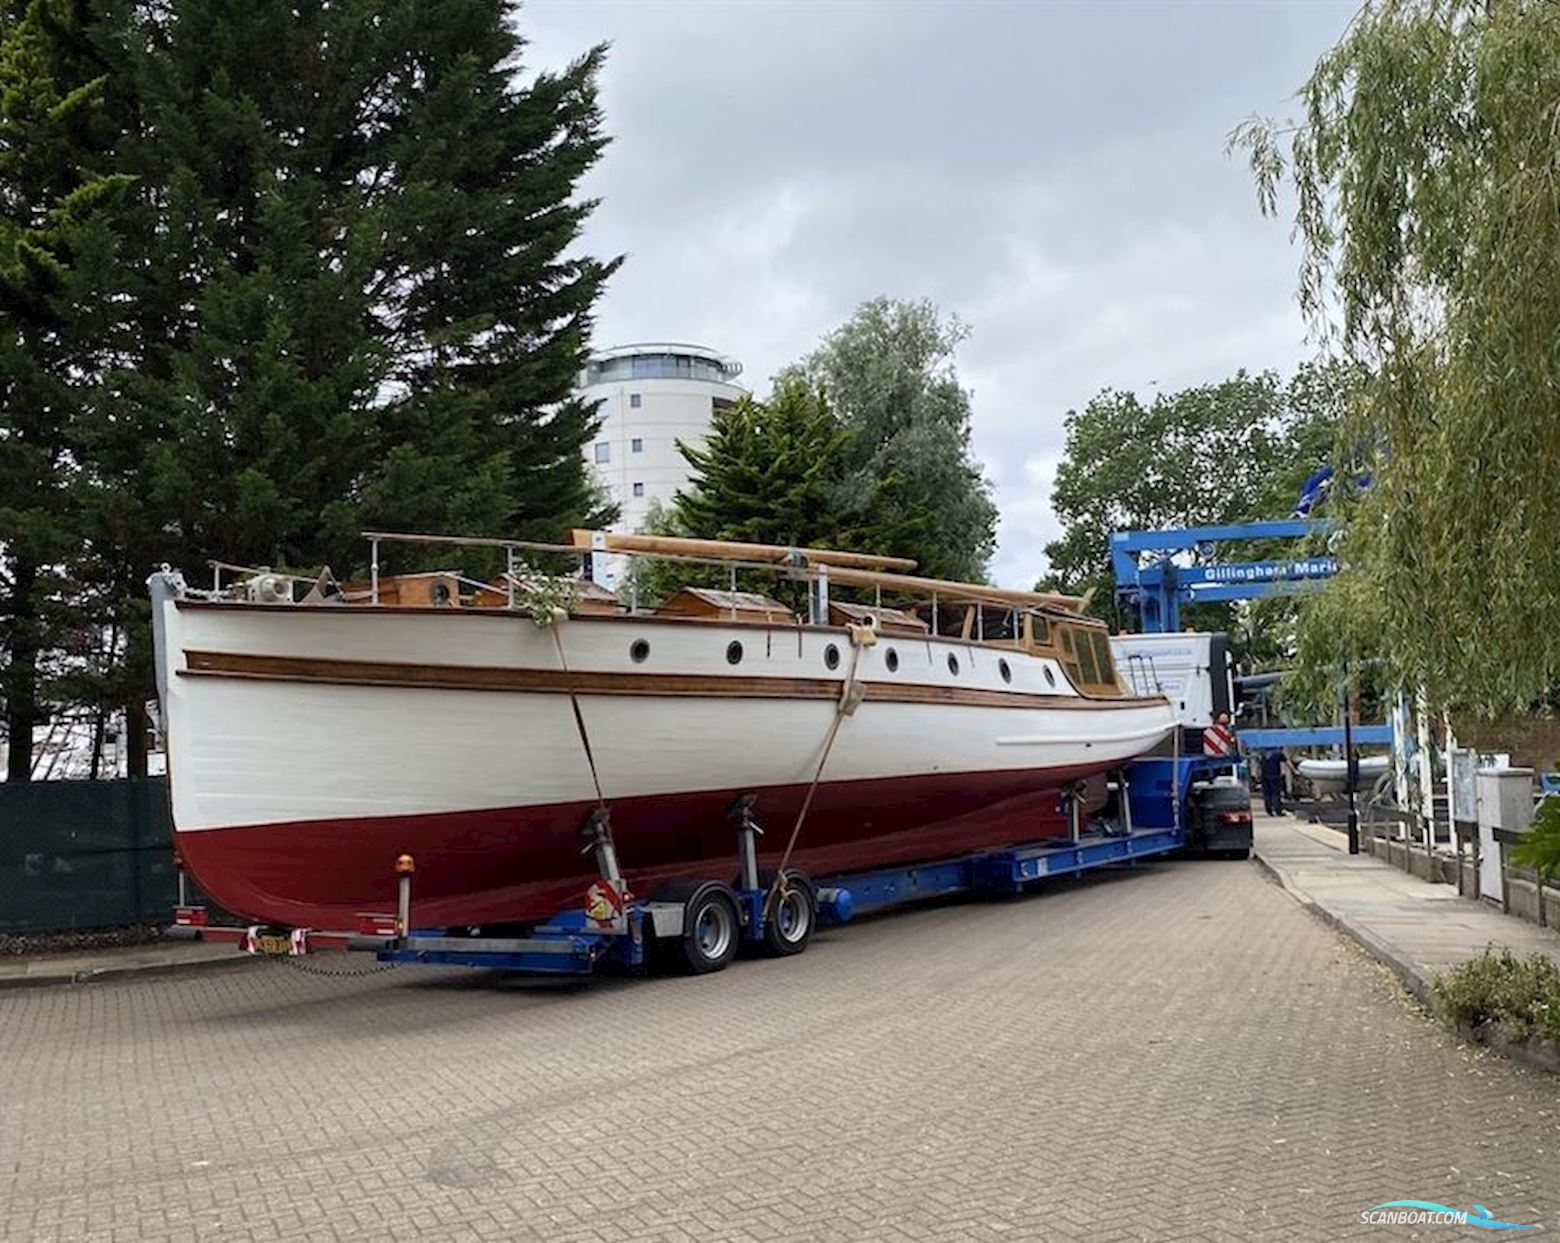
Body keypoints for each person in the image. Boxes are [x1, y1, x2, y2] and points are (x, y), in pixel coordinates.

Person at [1260, 748, 1286, 817]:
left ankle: (1269, 811)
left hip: (1264, 777)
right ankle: (1278, 810)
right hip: (1275, 776)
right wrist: (1294, 771)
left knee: (1267, 794)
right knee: (1276, 793)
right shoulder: (1278, 753)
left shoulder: (1263, 753)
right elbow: (1286, 761)